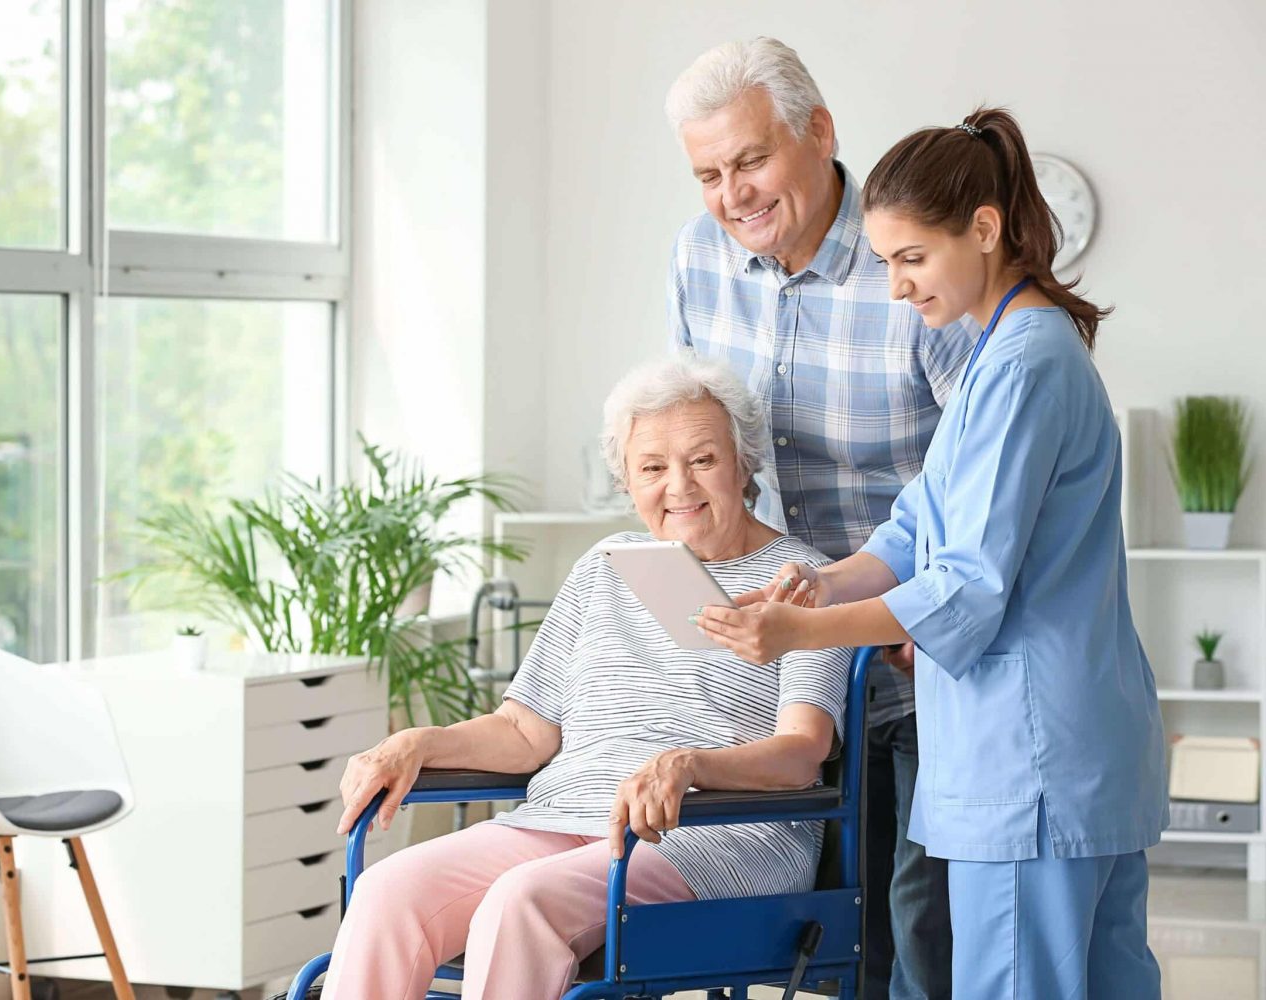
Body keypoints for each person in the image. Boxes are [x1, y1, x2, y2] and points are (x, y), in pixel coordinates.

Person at [695, 107, 1168, 998]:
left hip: (1030, 762)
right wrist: (820, 581)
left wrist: (807, 630)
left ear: (984, 230)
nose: (898, 289)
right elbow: (918, 525)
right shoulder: (1002, 352)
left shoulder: (1024, 363)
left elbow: (964, 587)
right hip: (1073, 755)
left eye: (912, 259)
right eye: (883, 264)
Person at [319, 354, 852, 1000]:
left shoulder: (805, 581)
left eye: (702, 460)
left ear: (744, 465)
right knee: (386, 892)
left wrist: (691, 766)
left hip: (715, 833)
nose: (678, 486)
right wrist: (416, 743)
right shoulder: (605, 566)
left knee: (520, 902)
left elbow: (802, 755)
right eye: (652, 468)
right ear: (627, 481)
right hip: (565, 819)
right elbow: (524, 731)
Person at [664, 36, 974, 999]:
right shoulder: (698, 258)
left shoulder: (912, 262)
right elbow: (698, 443)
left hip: (914, 647)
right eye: (710, 173)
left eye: (751, 159)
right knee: (820, 931)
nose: (734, 194)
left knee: (921, 928)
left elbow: (986, 468)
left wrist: (922, 615)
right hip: (785, 659)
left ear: (821, 132)